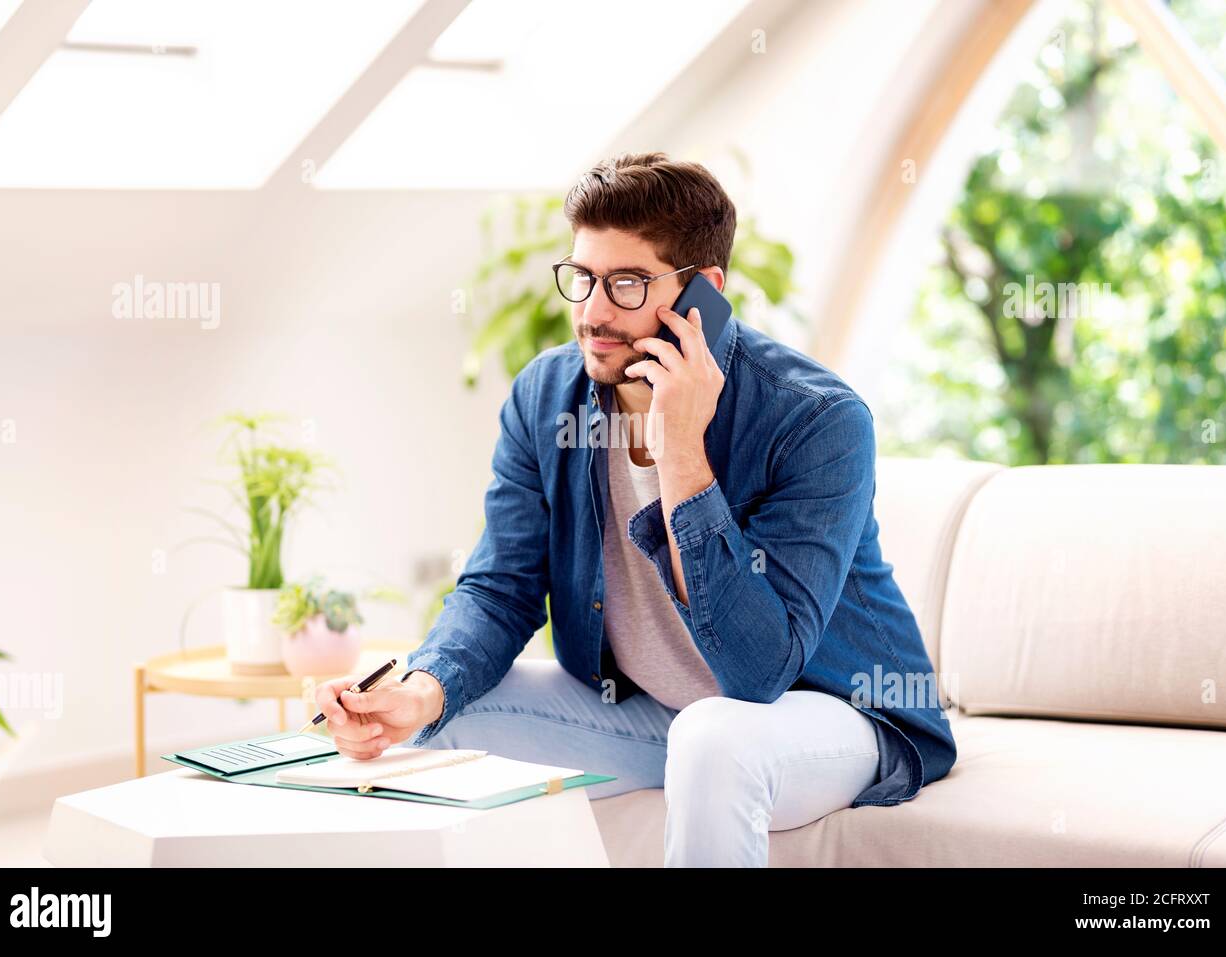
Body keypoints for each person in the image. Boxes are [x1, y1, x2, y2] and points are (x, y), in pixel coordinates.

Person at [315, 151, 956, 867]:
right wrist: (423, 689)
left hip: (831, 713)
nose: (591, 312)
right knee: (440, 718)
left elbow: (757, 673)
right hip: (656, 710)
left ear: (702, 292)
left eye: (625, 283)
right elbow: (501, 589)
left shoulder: (815, 420)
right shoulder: (545, 397)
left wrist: (680, 449)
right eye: (582, 278)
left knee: (714, 737)